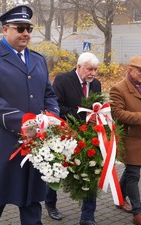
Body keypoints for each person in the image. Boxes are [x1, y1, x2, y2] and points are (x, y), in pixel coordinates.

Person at [0, 5, 59, 225]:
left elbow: (49, 94)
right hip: (2, 141)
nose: (25, 33)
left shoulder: (38, 60)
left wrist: (51, 116)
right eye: (20, 28)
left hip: (35, 142)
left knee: (31, 198)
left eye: (28, 28)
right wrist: (23, 121)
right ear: (5, 29)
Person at [50, 52, 101, 225]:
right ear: (79, 67)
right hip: (64, 134)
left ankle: (87, 216)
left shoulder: (96, 84)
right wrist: (84, 116)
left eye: (95, 70)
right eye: (89, 69)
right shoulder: (63, 80)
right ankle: (50, 204)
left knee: (90, 173)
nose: (93, 74)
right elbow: (57, 108)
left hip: (88, 137)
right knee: (56, 173)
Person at [110, 56, 141, 225]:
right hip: (129, 138)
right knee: (133, 175)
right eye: (140, 70)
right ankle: (138, 212)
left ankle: (120, 198)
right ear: (130, 70)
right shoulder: (118, 89)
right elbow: (117, 114)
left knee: (131, 171)